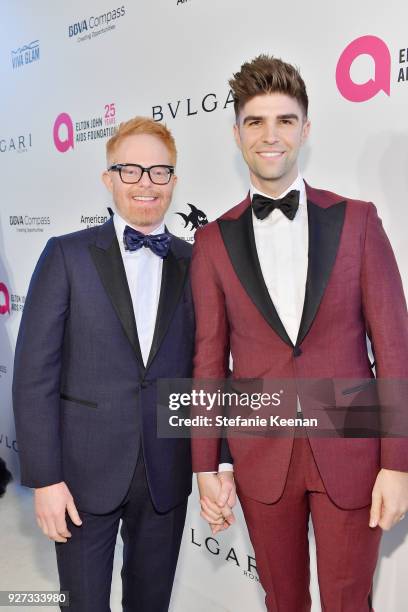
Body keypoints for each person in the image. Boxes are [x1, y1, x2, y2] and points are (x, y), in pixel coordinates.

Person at [191, 55, 408, 611]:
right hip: (261, 456)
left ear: (305, 130)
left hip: (353, 452)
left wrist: (398, 462)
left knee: (347, 601)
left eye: (285, 120)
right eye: (256, 122)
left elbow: (394, 351)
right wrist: (206, 464)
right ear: (236, 133)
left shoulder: (359, 220)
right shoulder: (214, 241)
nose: (271, 136)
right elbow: (209, 361)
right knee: (282, 600)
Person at [13, 116, 232, 612]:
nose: (145, 184)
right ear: (108, 178)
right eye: (129, 170)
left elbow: (209, 370)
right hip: (82, 476)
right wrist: (45, 479)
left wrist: (218, 461)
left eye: (158, 172)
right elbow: (33, 378)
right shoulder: (66, 255)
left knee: (151, 603)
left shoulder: (195, 262)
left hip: (166, 474)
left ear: (174, 183)